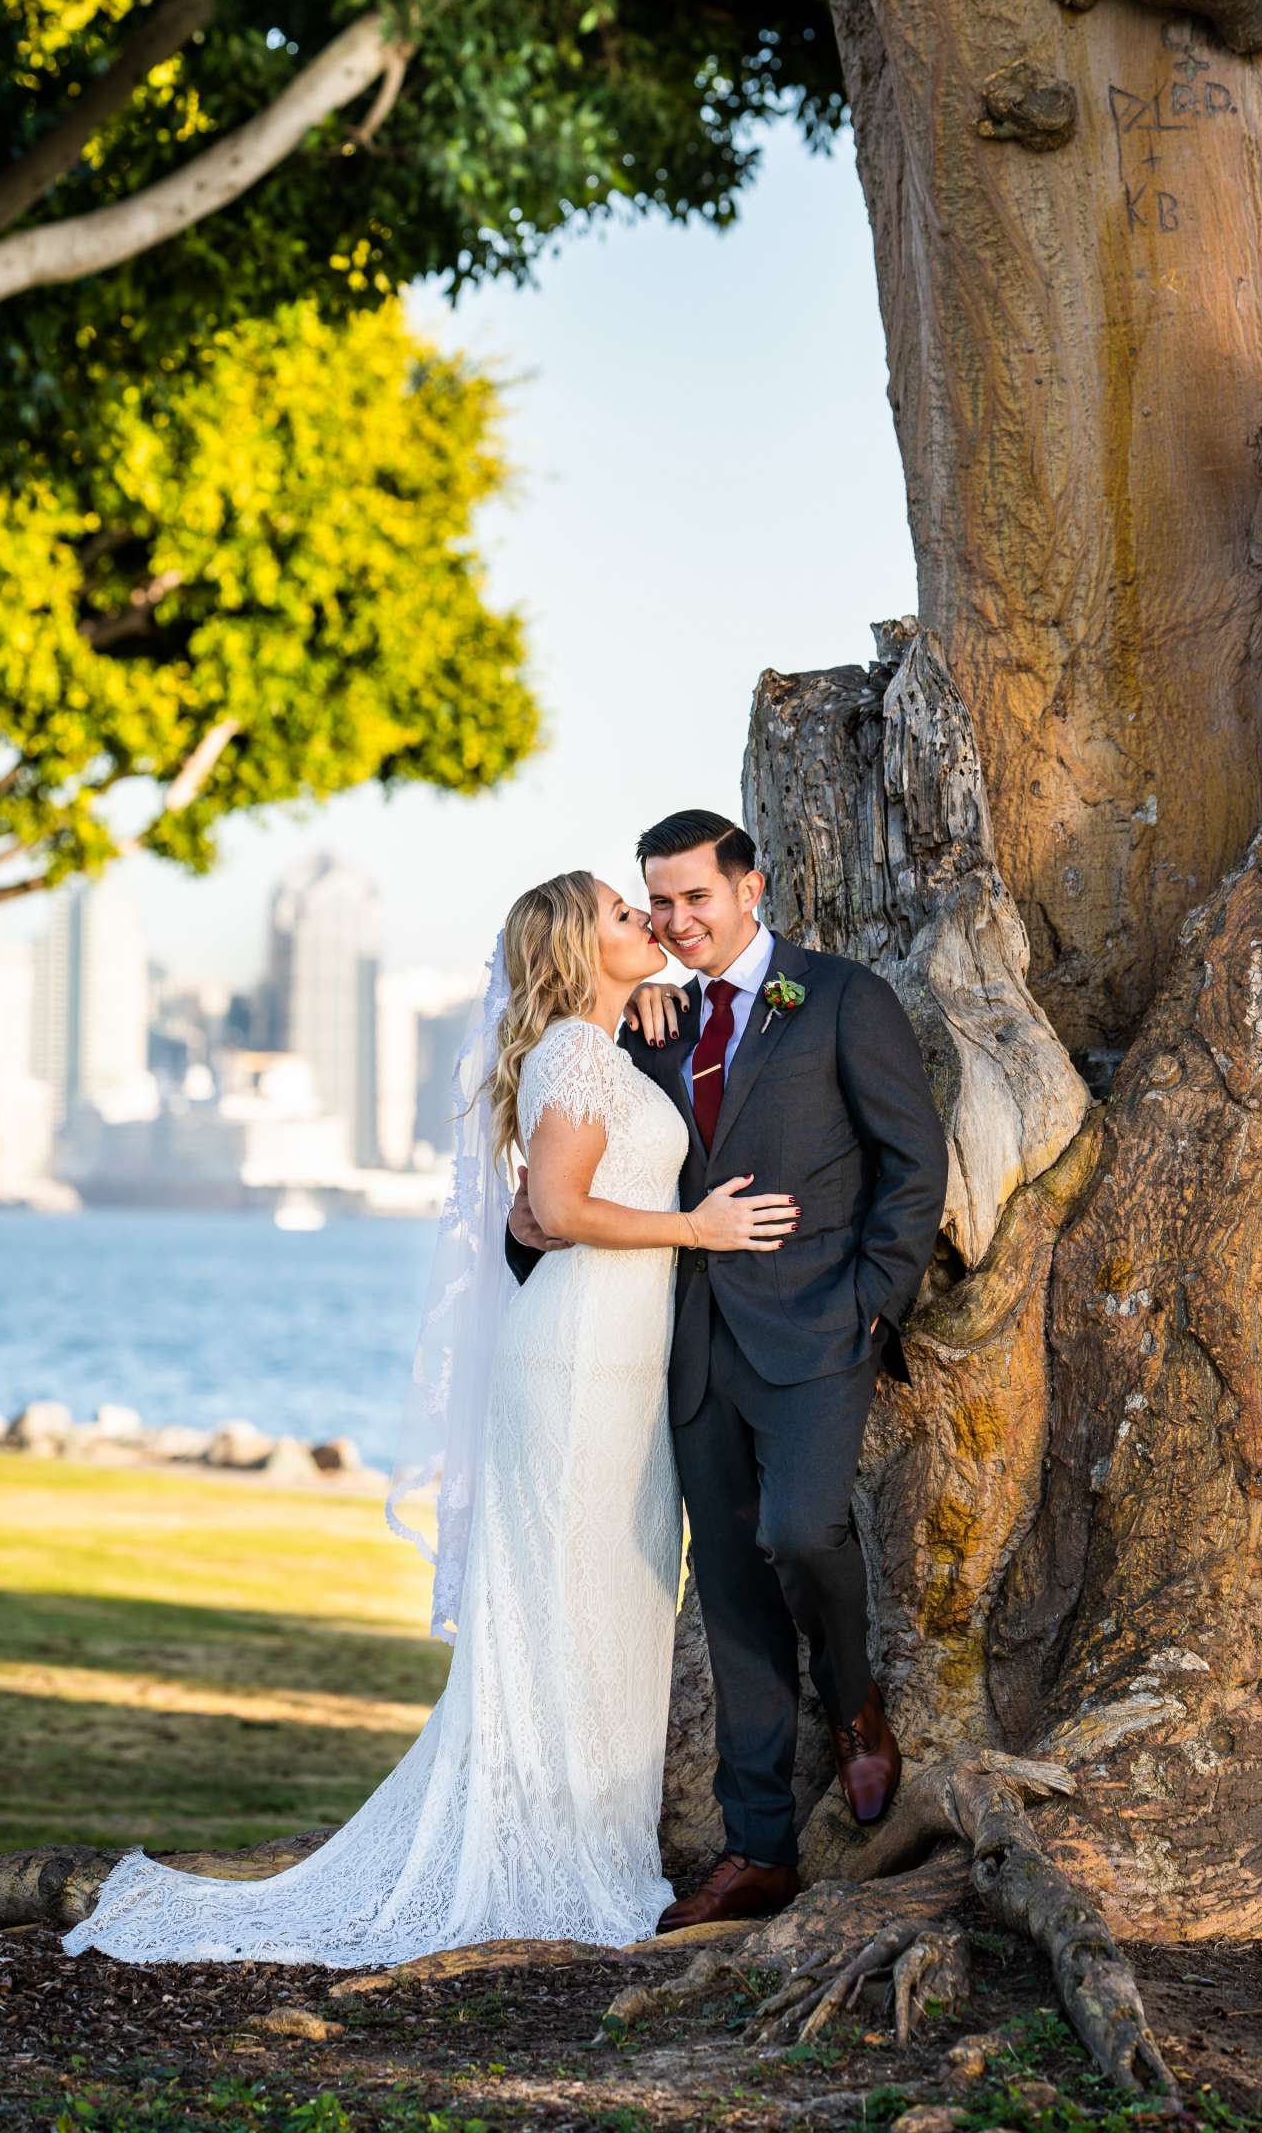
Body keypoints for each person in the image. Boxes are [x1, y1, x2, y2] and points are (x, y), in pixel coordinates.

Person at [61, 868, 796, 1968]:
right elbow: (554, 1210)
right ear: (572, 944)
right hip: (578, 1362)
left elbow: (539, 1211)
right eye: (618, 911)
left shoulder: (608, 1044)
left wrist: (654, 1015)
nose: (644, 920)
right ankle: (547, 1859)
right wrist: (699, 1229)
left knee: (611, 1603)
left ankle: (587, 1844)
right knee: (567, 1606)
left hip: (628, 1362)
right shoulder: (569, 1054)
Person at [508, 811, 948, 1932]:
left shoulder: (841, 997)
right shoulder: (647, 1023)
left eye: (694, 897)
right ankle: (755, 1851)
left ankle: (854, 1706)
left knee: (802, 1533)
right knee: (733, 1595)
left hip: (817, 1336)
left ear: (750, 887)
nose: (673, 920)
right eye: (656, 902)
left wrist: (867, 1307)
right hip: (689, 1347)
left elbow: (911, 1162)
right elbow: (579, 1183)